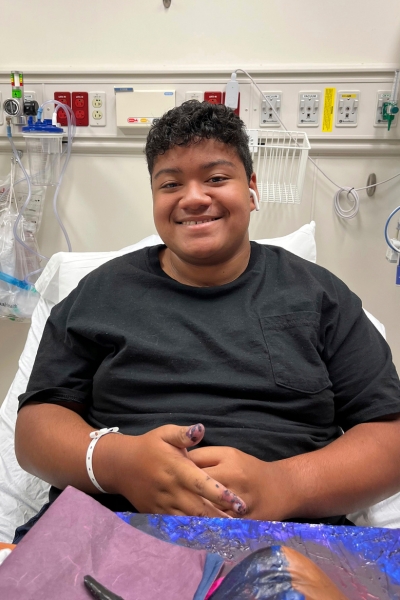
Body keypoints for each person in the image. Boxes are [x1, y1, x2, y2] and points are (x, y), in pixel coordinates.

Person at [14, 101, 400, 539]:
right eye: (171, 183)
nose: (194, 198)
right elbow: (36, 427)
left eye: (217, 178)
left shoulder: (320, 296)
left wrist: (285, 485)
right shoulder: (98, 295)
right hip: (108, 530)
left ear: (251, 187)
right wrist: (118, 463)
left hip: (290, 534)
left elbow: (389, 436)